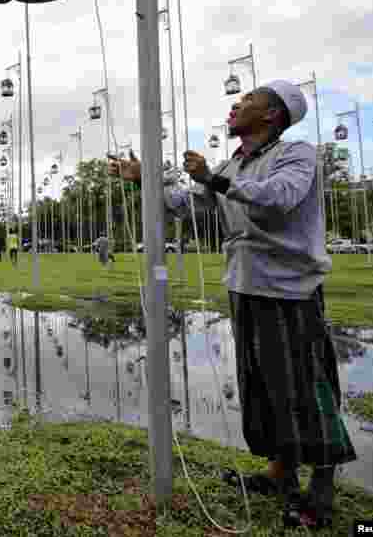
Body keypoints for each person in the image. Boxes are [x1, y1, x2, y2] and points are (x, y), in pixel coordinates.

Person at [110, 80, 354, 529]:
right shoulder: (234, 163)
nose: (236, 104)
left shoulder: (297, 155)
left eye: (247, 100)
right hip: (245, 286)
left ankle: (320, 493)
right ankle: (279, 474)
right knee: (262, 386)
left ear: (273, 115)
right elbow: (186, 204)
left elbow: (279, 199)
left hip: (290, 290)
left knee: (307, 388)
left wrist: (214, 179)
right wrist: (145, 179)